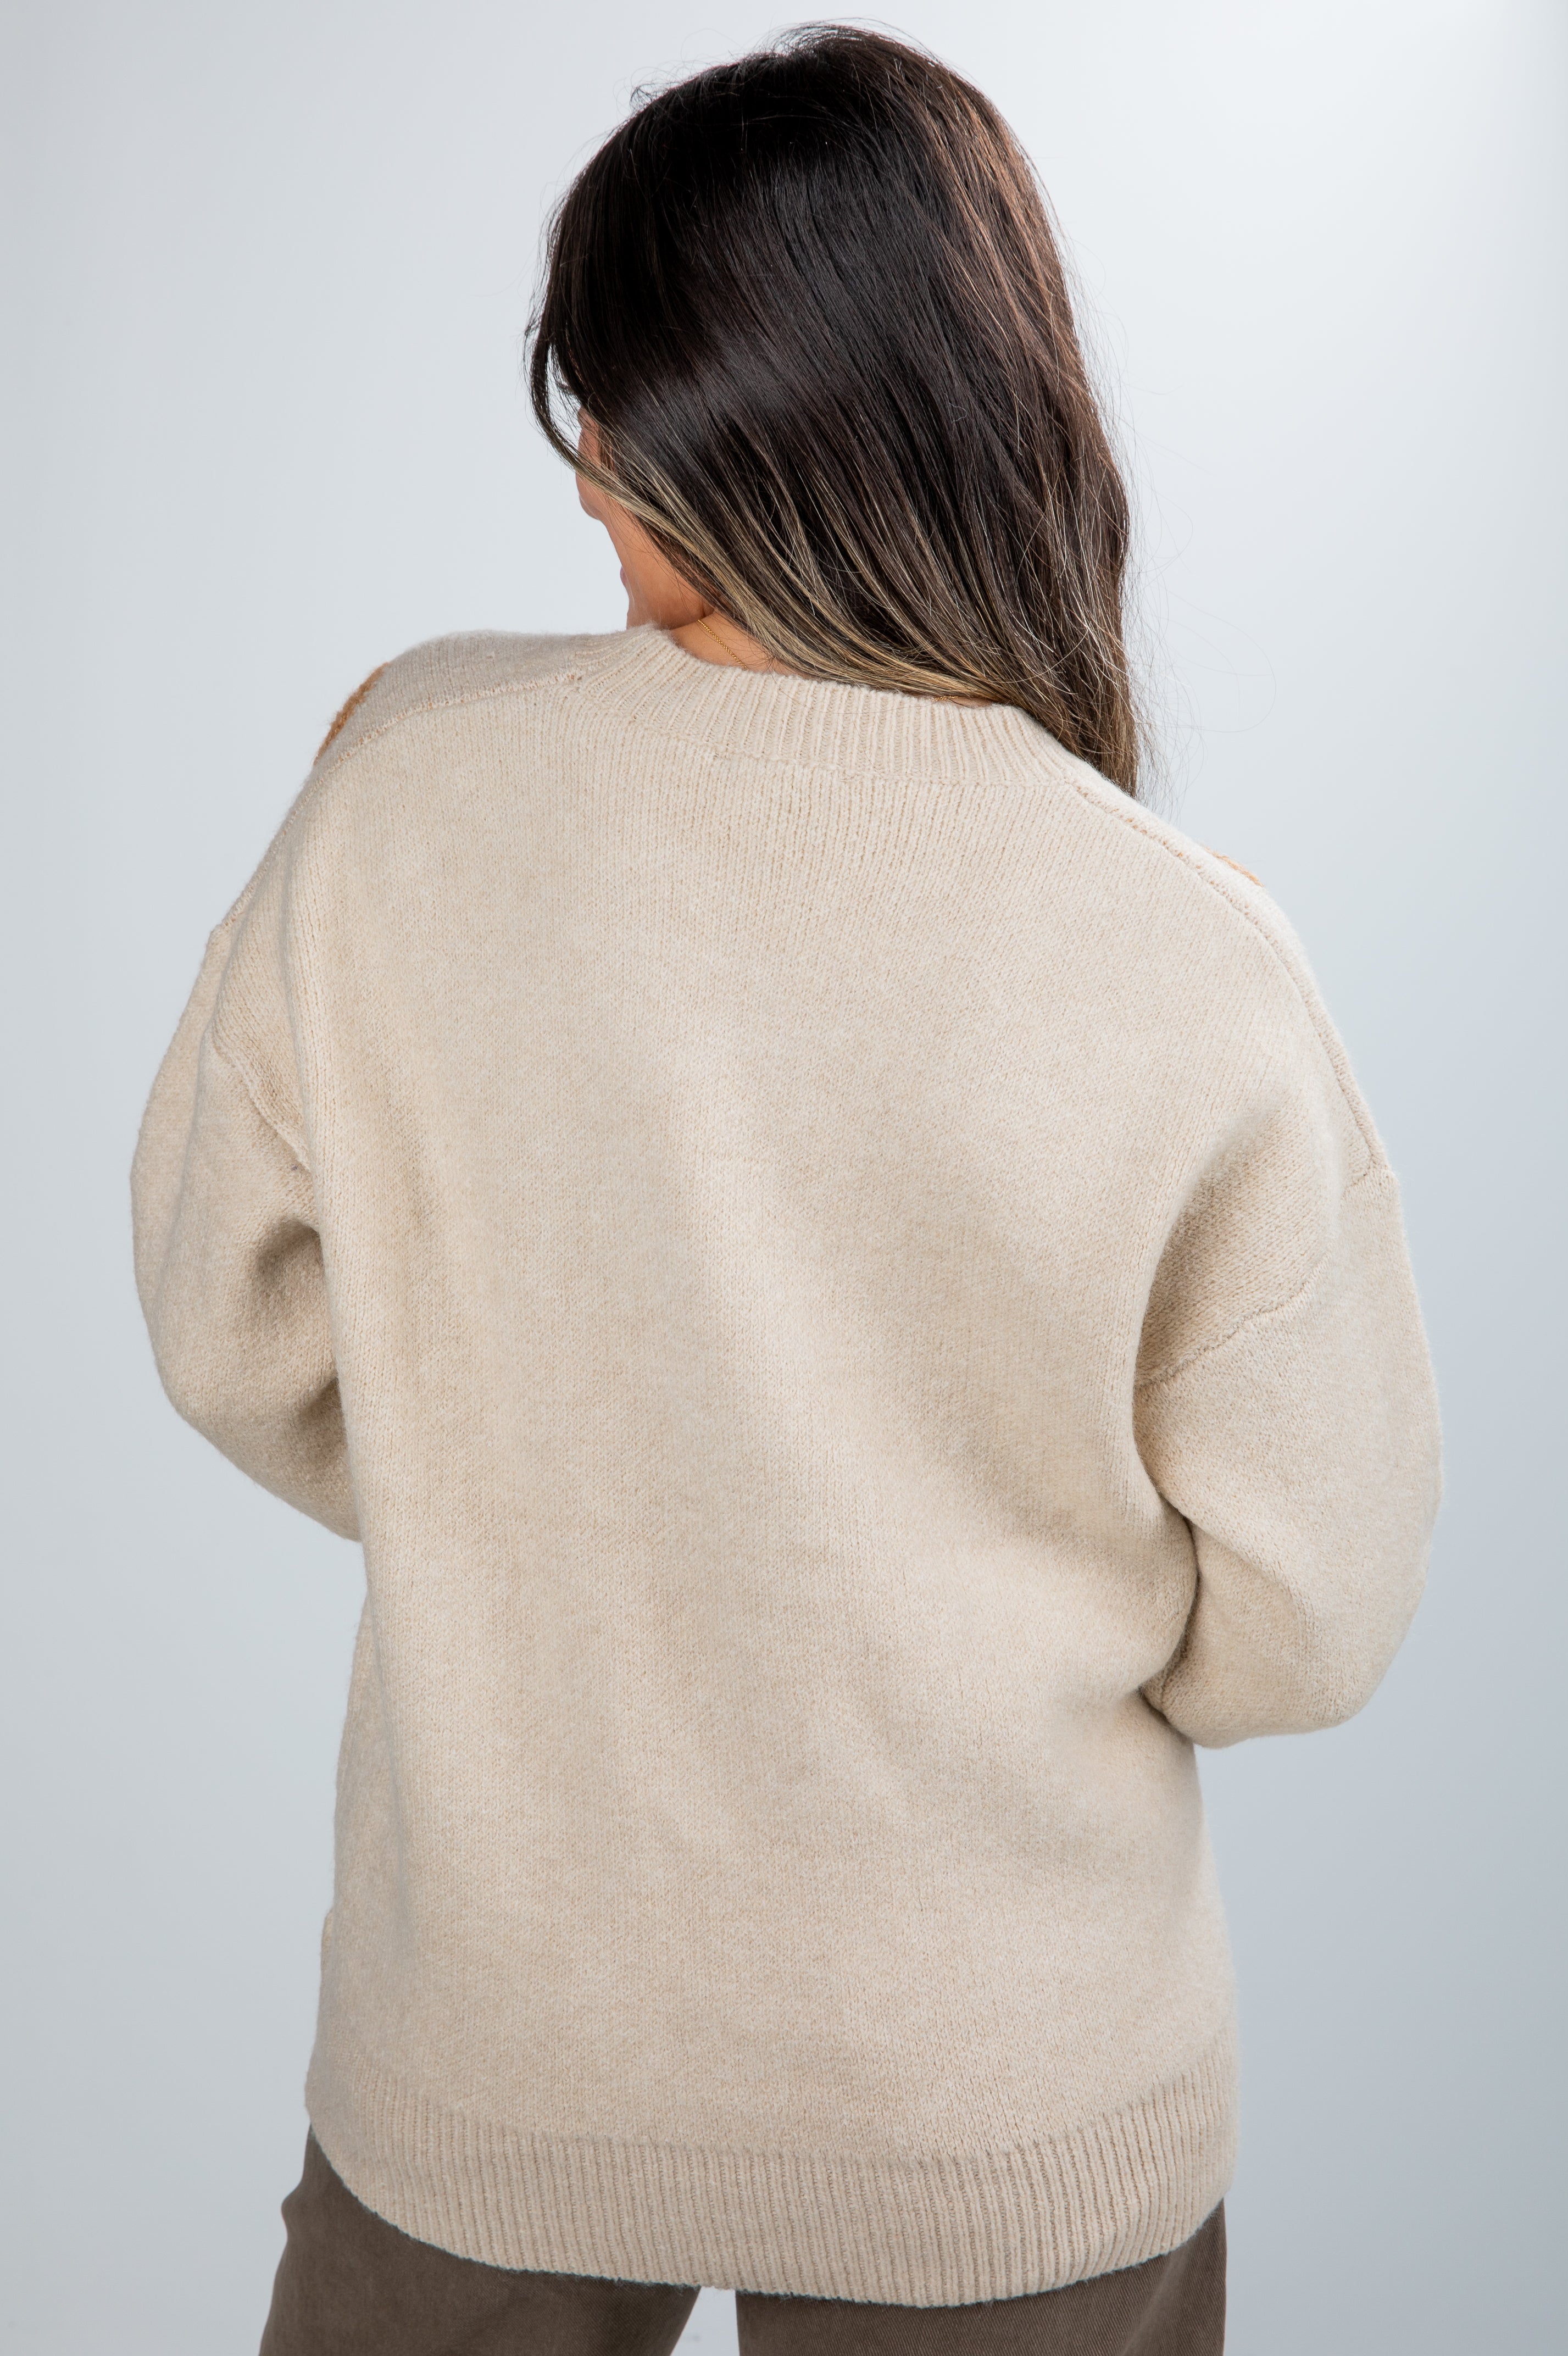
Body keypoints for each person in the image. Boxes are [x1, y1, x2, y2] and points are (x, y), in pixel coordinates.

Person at [130, 25, 1441, 2355]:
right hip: (1005, 2096)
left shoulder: (402, 786)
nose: (580, 486)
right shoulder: (1182, 949)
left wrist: (548, 1502)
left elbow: (231, 1334)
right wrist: (948, 1600)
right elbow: (1313, 1617)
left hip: (493, 2054)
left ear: (712, 417)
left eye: (601, 409)